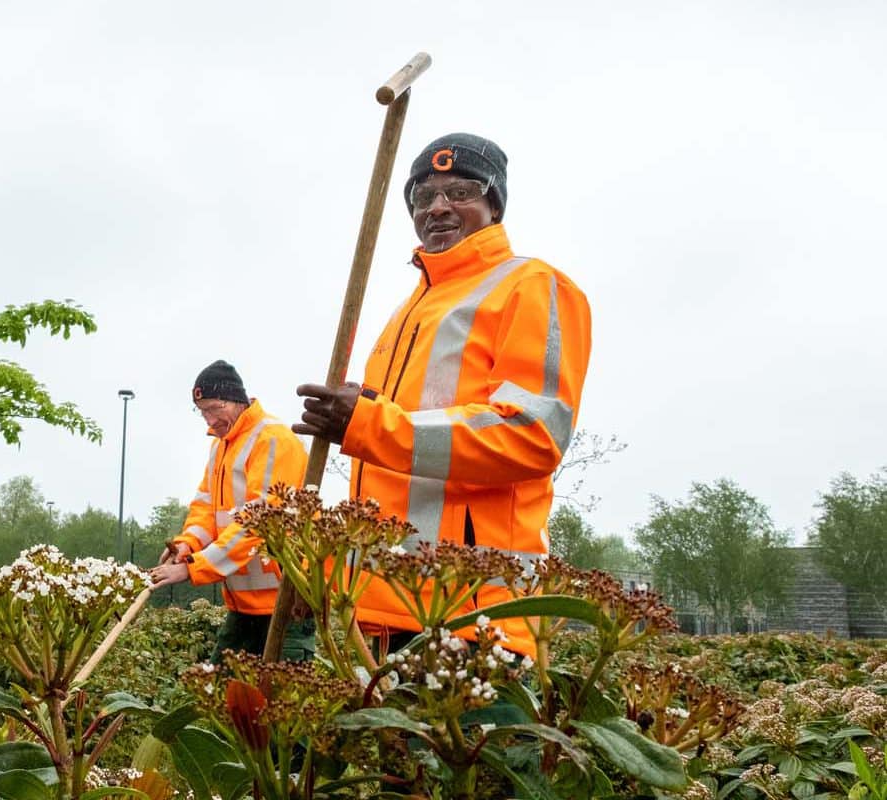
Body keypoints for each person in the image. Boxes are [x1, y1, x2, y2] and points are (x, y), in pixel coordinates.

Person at [294, 133, 592, 657]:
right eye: (422, 196)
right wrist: (325, 574)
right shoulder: (407, 312)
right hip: (379, 611)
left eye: (460, 192)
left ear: (493, 203)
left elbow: (532, 434)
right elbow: (388, 482)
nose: (438, 208)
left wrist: (363, 424)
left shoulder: (532, 286)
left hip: (473, 615)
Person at [149, 360, 315, 662]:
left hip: (286, 606)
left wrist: (192, 567)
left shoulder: (273, 440)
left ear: (236, 399)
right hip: (244, 607)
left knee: (280, 703)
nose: (209, 420)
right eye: (202, 412)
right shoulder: (221, 446)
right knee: (222, 699)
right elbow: (205, 507)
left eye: (214, 408)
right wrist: (188, 544)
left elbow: (257, 523)